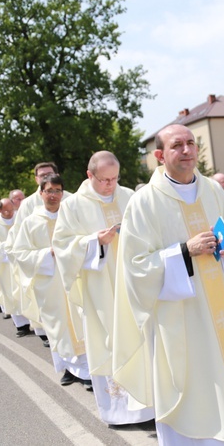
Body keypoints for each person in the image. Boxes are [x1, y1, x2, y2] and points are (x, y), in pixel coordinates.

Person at [112, 124, 224, 445]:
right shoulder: (144, 202)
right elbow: (135, 268)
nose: (187, 150)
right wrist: (185, 251)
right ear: (160, 155)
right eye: (177, 146)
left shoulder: (214, 191)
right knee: (193, 391)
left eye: (191, 143)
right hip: (182, 319)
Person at [53, 151, 154, 425]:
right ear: (89, 175)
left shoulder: (129, 197)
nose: (110, 185)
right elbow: (62, 247)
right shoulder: (73, 205)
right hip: (100, 289)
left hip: (132, 283)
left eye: (114, 178)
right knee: (108, 341)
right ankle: (119, 413)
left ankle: (148, 407)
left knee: (140, 338)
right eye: (104, 180)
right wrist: (95, 241)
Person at [14, 174, 91, 389]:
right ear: (41, 193)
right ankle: (69, 369)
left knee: (80, 320)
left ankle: (87, 370)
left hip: (74, 277)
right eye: (49, 190)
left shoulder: (72, 215)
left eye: (58, 190)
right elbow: (20, 252)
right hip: (49, 281)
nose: (54, 195)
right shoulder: (31, 221)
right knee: (59, 325)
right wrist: (47, 255)